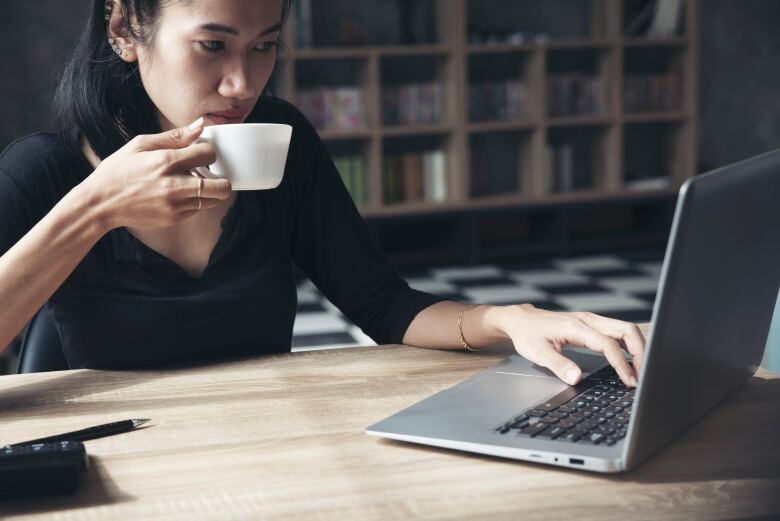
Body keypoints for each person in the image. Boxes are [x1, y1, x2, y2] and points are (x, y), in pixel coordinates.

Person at [0, 0, 644, 386]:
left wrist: (510, 318)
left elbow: (387, 308)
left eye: (265, 47)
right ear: (124, 26)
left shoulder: (284, 140)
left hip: (272, 457)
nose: (241, 83)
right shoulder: (43, 172)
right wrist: (94, 207)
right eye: (213, 45)